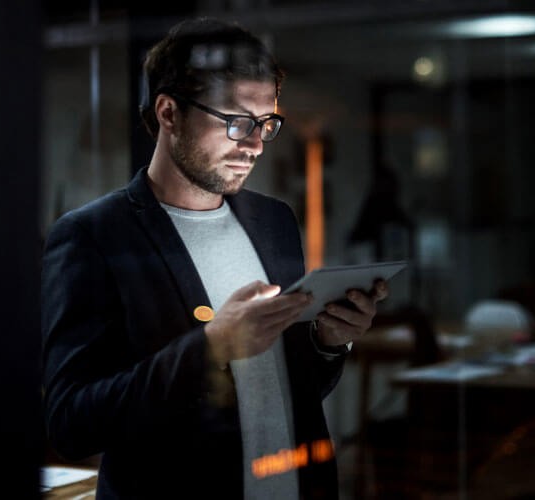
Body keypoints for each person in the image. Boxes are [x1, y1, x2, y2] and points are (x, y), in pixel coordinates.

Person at [41, 17, 388, 499]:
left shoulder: (275, 222)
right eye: (236, 121)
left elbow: (286, 393)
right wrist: (212, 348)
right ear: (169, 113)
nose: (255, 145)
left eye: (266, 124)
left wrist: (329, 341)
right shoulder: (92, 236)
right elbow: (72, 423)